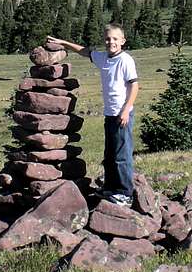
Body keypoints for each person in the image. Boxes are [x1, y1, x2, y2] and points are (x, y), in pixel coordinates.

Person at [46, 25, 139, 205]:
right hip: (110, 114)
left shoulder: (125, 60)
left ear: (122, 41)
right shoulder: (103, 58)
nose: (110, 42)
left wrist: (126, 110)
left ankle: (125, 194)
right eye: (107, 39)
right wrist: (63, 42)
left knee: (122, 155)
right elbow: (85, 51)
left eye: (114, 39)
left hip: (122, 114)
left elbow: (134, 86)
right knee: (110, 154)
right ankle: (111, 189)